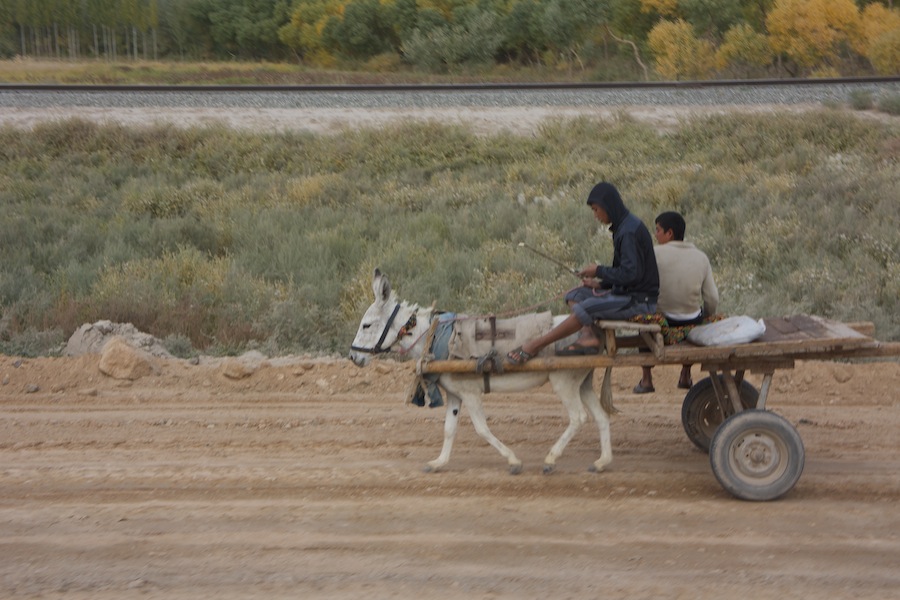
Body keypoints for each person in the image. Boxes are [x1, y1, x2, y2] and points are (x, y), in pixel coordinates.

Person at [507, 182, 659, 364]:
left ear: (608, 206)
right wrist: (600, 284)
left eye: (596, 210)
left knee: (586, 307)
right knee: (575, 295)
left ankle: (534, 345)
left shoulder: (628, 232)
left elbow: (631, 274)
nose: (595, 216)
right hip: (627, 293)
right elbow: (629, 273)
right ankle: (588, 335)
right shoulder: (623, 228)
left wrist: (598, 270)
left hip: (639, 301)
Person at [633, 211, 719, 393]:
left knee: (645, 318)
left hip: (662, 323)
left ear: (669, 233)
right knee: (697, 316)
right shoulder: (701, 257)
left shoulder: (653, 254)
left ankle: (646, 379)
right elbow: (712, 298)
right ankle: (686, 375)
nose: (655, 235)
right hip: (691, 323)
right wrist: (706, 318)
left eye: (657, 230)